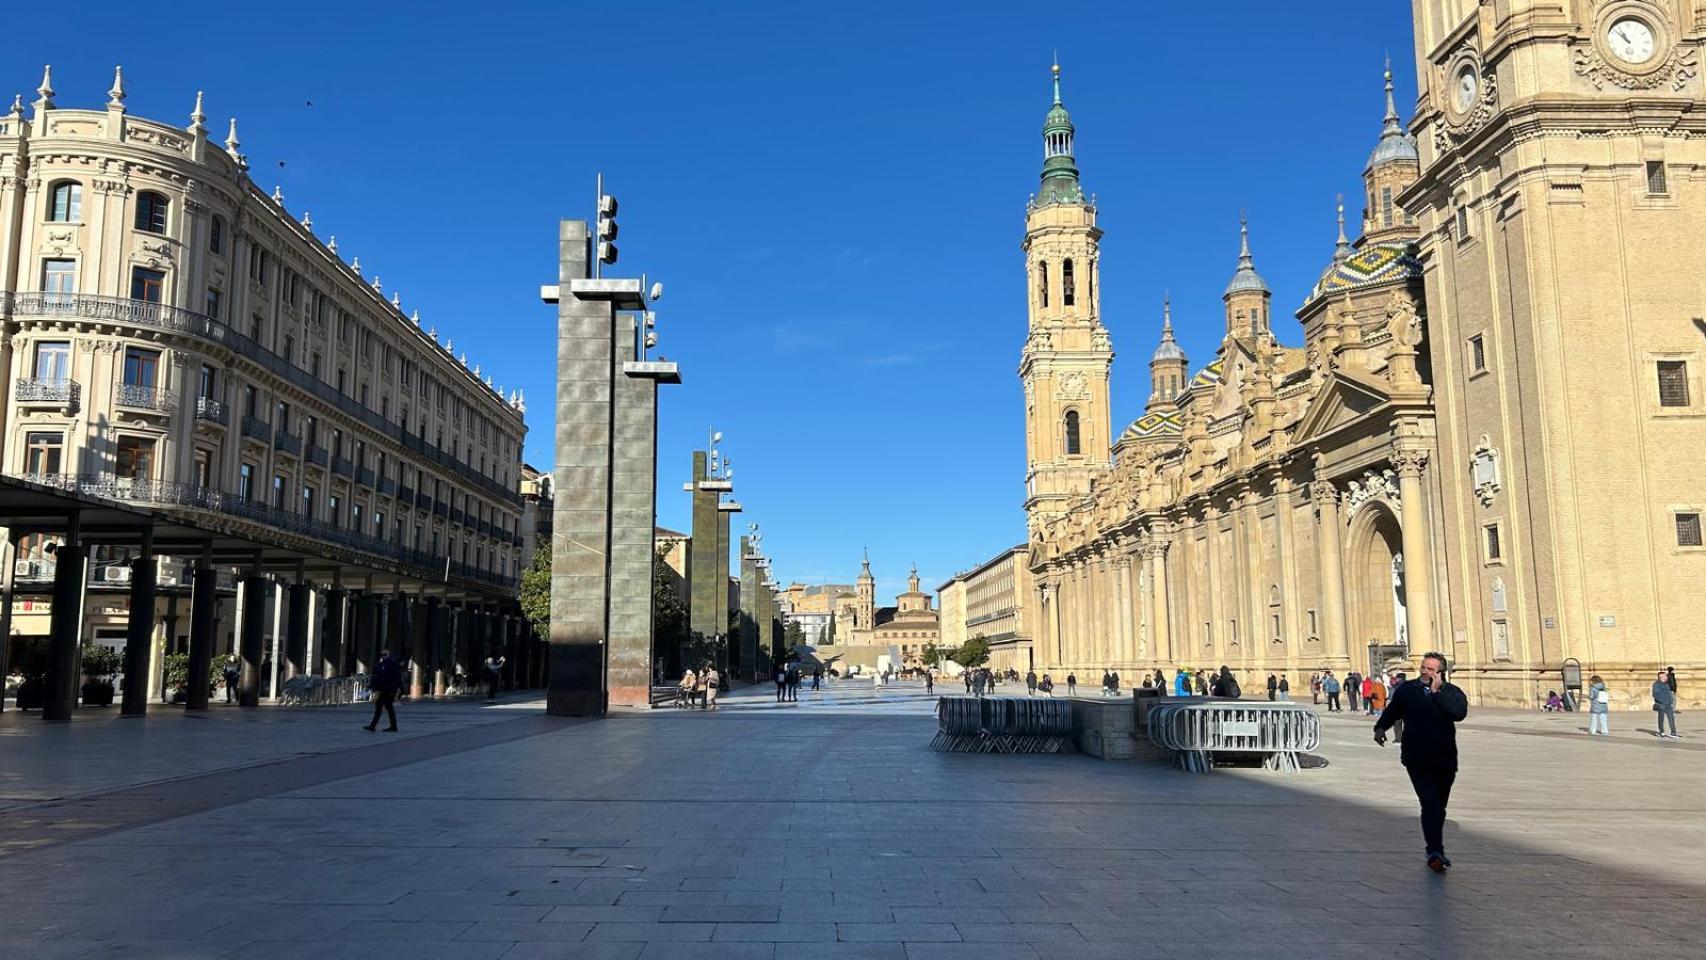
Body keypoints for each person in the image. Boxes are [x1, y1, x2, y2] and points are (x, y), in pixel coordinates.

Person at [1373, 652, 1468, 874]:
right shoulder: (1408, 690)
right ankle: (1435, 850)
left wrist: (1437, 693)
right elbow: (1393, 711)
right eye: (1424, 667)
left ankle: (1434, 847)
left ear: (1440, 672)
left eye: (1431, 669)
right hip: (1416, 757)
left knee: (1439, 807)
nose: (1425, 671)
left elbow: (1458, 713)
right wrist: (1380, 728)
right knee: (1430, 803)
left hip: (1444, 759)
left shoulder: (1452, 693)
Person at [364, 648, 403, 732]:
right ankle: (375, 726)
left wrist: (399, 688)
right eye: (381, 655)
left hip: (390, 689)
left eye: (385, 654)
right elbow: (377, 677)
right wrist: (371, 686)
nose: (383, 656)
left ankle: (390, 726)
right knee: (384, 706)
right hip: (384, 689)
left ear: (389, 655)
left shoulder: (392, 664)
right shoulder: (382, 664)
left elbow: (397, 677)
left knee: (385, 706)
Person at [1652, 670, 1679, 739]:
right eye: (1665, 675)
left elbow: (1669, 694)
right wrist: (1662, 701)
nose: (1667, 676)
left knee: (1671, 718)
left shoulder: (1666, 684)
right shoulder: (1656, 684)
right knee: (1661, 719)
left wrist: (1670, 701)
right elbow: (1655, 694)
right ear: (1661, 676)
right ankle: (1661, 732)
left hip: (1668, 705)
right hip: (1661, 704)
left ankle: (1673, 732)